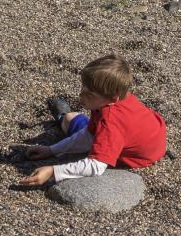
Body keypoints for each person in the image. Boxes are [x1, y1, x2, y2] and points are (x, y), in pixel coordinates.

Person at [19, 53, 165, 187]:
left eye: (90, 94)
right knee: (78, 122)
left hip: (136, 157)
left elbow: (95, 166)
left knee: (70, 119)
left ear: (113, 99)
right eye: (83, 87)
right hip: (151, 137)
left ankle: (62, 117)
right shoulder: (121, 99)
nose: (81, 95)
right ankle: (66, 117)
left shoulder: (110, 123)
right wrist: (51, 150)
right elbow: (89, 133)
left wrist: (53, 171)